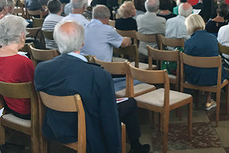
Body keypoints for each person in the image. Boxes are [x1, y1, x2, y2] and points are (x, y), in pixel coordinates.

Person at [34, 21, 149, 153]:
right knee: (129, 103)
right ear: (83, 42)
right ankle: (136, 146)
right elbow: (109, 119)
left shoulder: (41, 69)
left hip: (55, 126)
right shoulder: (98, 75)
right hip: (88, 130)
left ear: (57, 42)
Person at [184, 14, 229, 110]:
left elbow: (187, 63)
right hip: (213, 78)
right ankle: (208, 99)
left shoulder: (188, 42)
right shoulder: (213, 38)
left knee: (197, 68)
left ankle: (195, 98)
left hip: (194, 78)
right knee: (212, 68)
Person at [0, 15, 34, 120]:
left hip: (8, 105)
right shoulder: (23, 62)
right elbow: (35, 88)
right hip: (28, 110)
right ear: (22, 35)